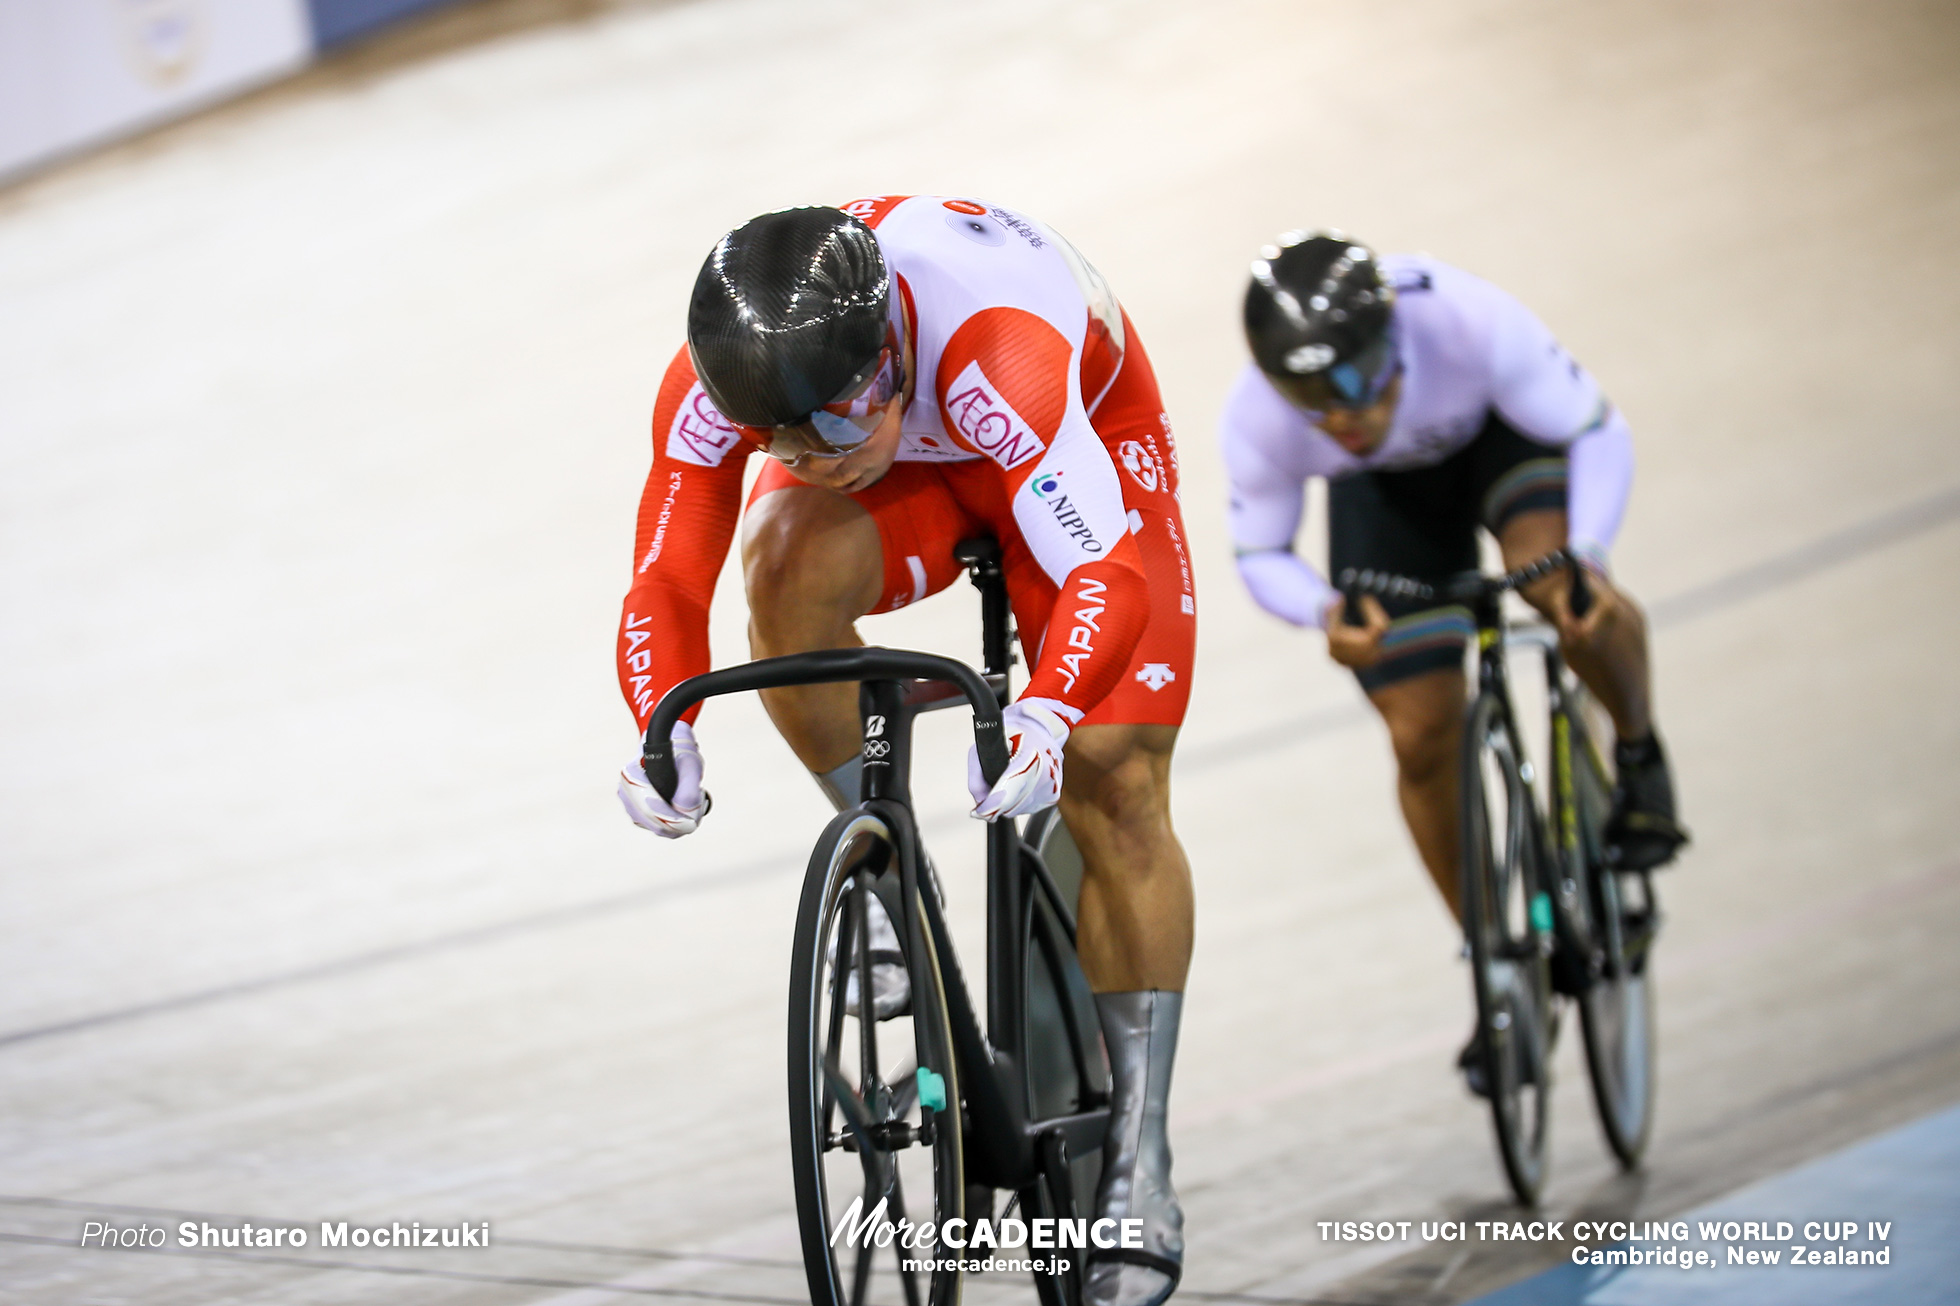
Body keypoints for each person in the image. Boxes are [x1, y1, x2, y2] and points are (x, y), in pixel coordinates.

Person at [614, 200, 1197, 1306]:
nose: (805, 460)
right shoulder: (746, 395)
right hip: (923, 460)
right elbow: (667, 578)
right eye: (775, 442)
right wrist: (661, 720)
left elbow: (1103, 577)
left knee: (1114, 778)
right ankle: (889, 886)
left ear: (888, 357)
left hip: (1074, 442)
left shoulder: (997, 347)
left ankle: (1140, 1158)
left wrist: (1051, 707)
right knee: (779, 573)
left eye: (829, 428)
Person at [1220, 230, 1686, 1092]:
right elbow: (1260, 554)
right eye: (1310, 399)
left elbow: (1595, 429)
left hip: (1502, 446)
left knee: (1564, 601)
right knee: (1420, 732)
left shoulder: (1471, 328)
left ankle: (1637, 752)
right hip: (1390, 507)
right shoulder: (1265, 420)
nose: (1344, 416)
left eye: (1354, 383)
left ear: (1391, 344)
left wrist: (1587, 551)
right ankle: (1496, 960)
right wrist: (1325, 612)